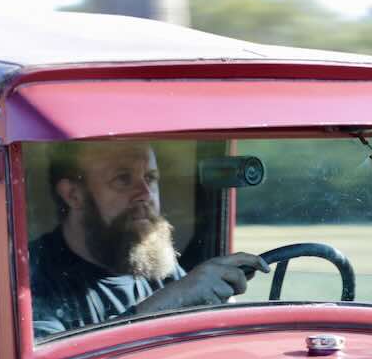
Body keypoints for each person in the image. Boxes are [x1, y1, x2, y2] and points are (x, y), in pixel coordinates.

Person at [30, 140, 268, 336]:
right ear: (73, 195)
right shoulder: (31, 275)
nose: (145, 194)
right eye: (123, 179)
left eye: (151, 178)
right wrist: (177, 297)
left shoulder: (155, 263)